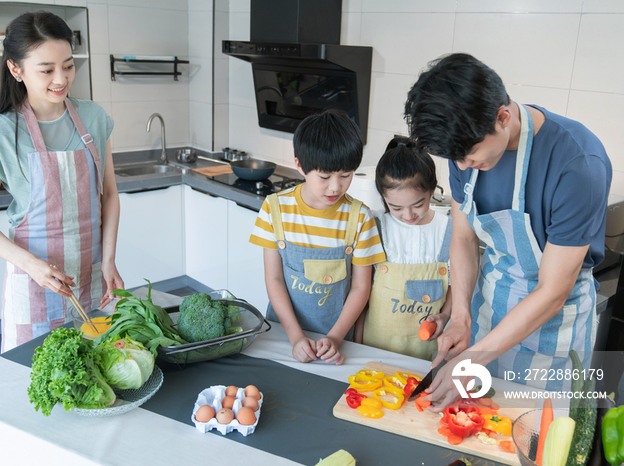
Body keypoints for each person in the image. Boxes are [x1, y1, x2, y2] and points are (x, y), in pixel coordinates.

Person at [403, 53, 612, 409]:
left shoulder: (577, 165)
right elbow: (464, 238)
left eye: (469, 157)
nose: (463, 167)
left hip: (553, 330)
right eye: (455, 160)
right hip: (489, 310)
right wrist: (462, 316)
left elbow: (553, 290)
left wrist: (471, 360)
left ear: (503, 117)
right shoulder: (463, 152)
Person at [0, 12, 123, 352]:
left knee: (99, 374)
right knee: (41, 382)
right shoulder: (1, 133)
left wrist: (109, 260)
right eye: (47, 69)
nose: (61, 78)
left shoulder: (94, 118)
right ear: (16, 69)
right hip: (34, 283)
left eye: (68, 66)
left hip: (94, 277)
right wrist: (31, 266)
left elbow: (109, 195)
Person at [249, 109, 386, 365]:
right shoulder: (274, 209)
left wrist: (335, 338)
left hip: (338, 341)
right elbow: (275, 279)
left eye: (346, 175)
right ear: (300, 165)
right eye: (324, 176)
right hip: (282, 334)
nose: (335, 186)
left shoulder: (360, 218)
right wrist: (295, 337)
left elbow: (360, 287)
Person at [355, 136, 453, 361]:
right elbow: (362, 293)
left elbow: (456, 287)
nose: (408, 216)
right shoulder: (376, 227)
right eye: (396, 207)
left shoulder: (449, 229)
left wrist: (445, 315)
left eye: (418, 204)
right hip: (374, 352)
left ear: (432, 190)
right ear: (383, 198)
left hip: (427, 356)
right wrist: (357, 344)